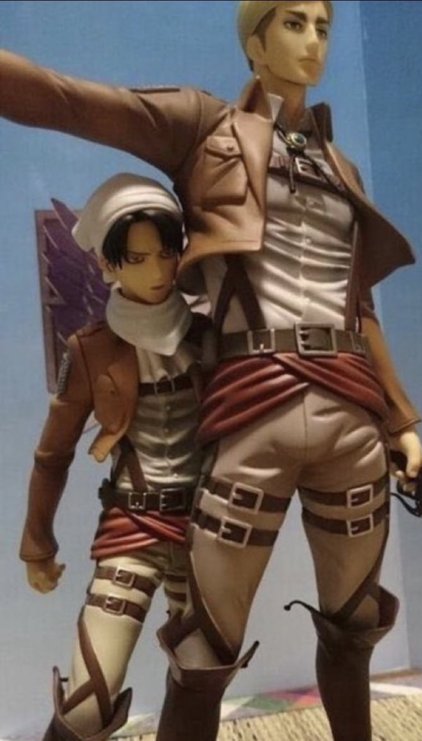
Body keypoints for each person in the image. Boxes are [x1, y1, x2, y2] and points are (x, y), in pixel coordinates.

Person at [1, 3, 422, 739]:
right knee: (202, 654)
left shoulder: (341, 168)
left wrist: (403, 422)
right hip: (255, 408)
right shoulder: (206, 129)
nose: (314, 41)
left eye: (324, 26)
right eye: (293, 23)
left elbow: (359, 308)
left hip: (350, 413)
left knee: (355, 630)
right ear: (253, 42)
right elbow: (67, 100)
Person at [20, 173, 208, 741]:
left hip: (207, 532)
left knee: (201, 685)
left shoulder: (212, 334)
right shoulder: (90, 349)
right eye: (138, 259)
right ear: (107, 265)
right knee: (86, 703)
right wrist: (38, 545)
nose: (157, 271)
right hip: (134, 525)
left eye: (166, 254)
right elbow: (53, 453)